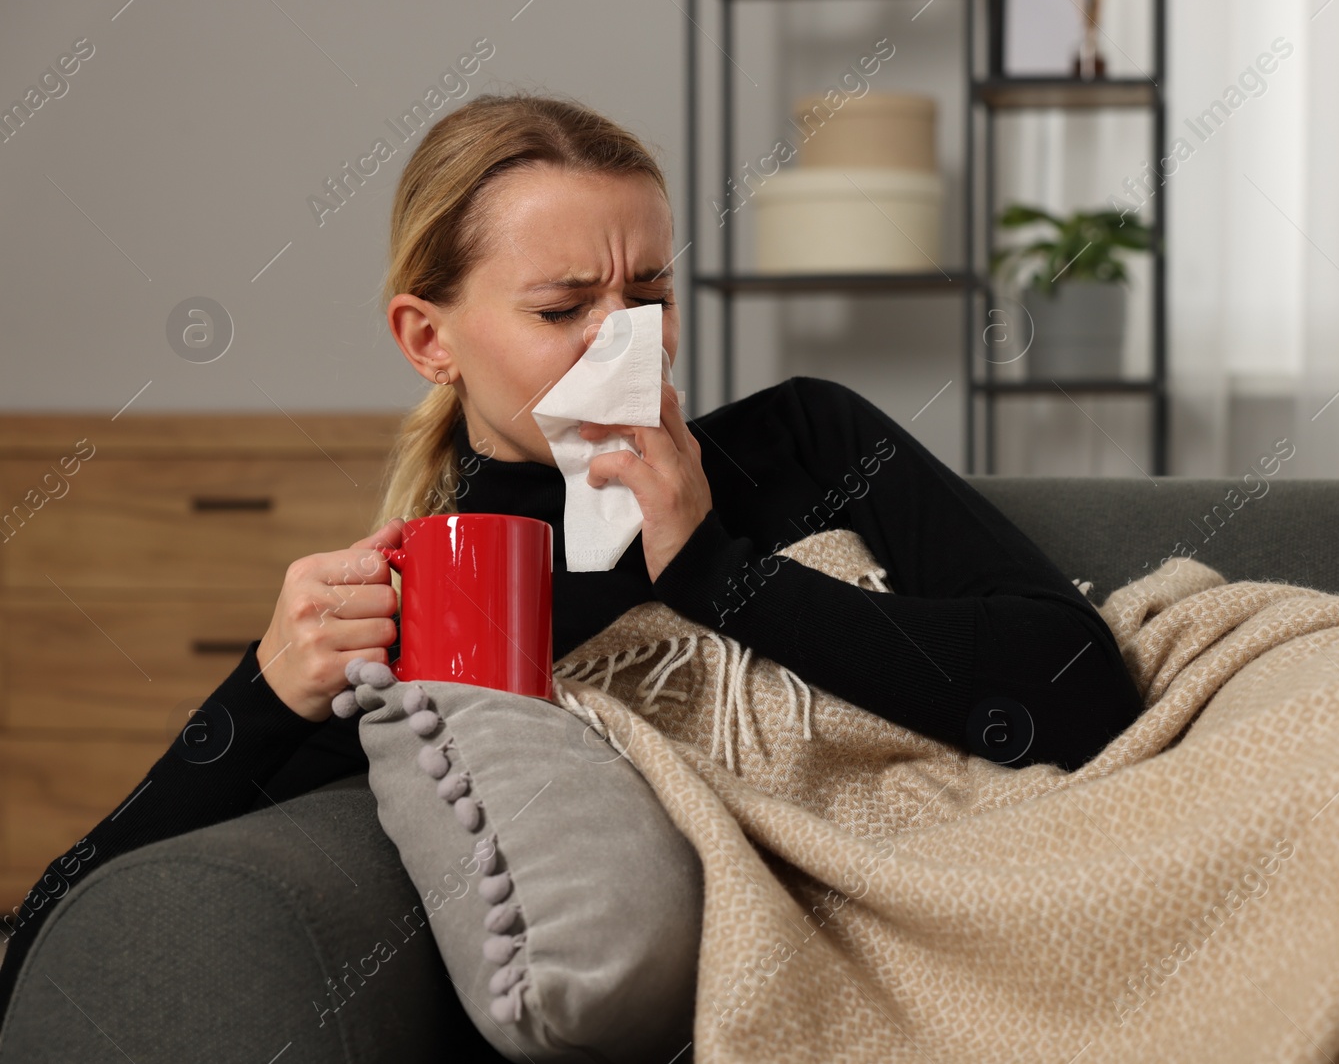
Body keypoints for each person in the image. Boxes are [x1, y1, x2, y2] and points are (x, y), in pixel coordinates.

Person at [0, 91, 1145, 1027]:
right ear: (427, 338)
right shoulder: (447, 588)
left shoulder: (809, 437)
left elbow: (1081, 691)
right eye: (563, 306)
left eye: (647, 291)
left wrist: (716, 569)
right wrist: (267, 688)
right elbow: (62, 919)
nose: (623, 337)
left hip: (1040, 864)